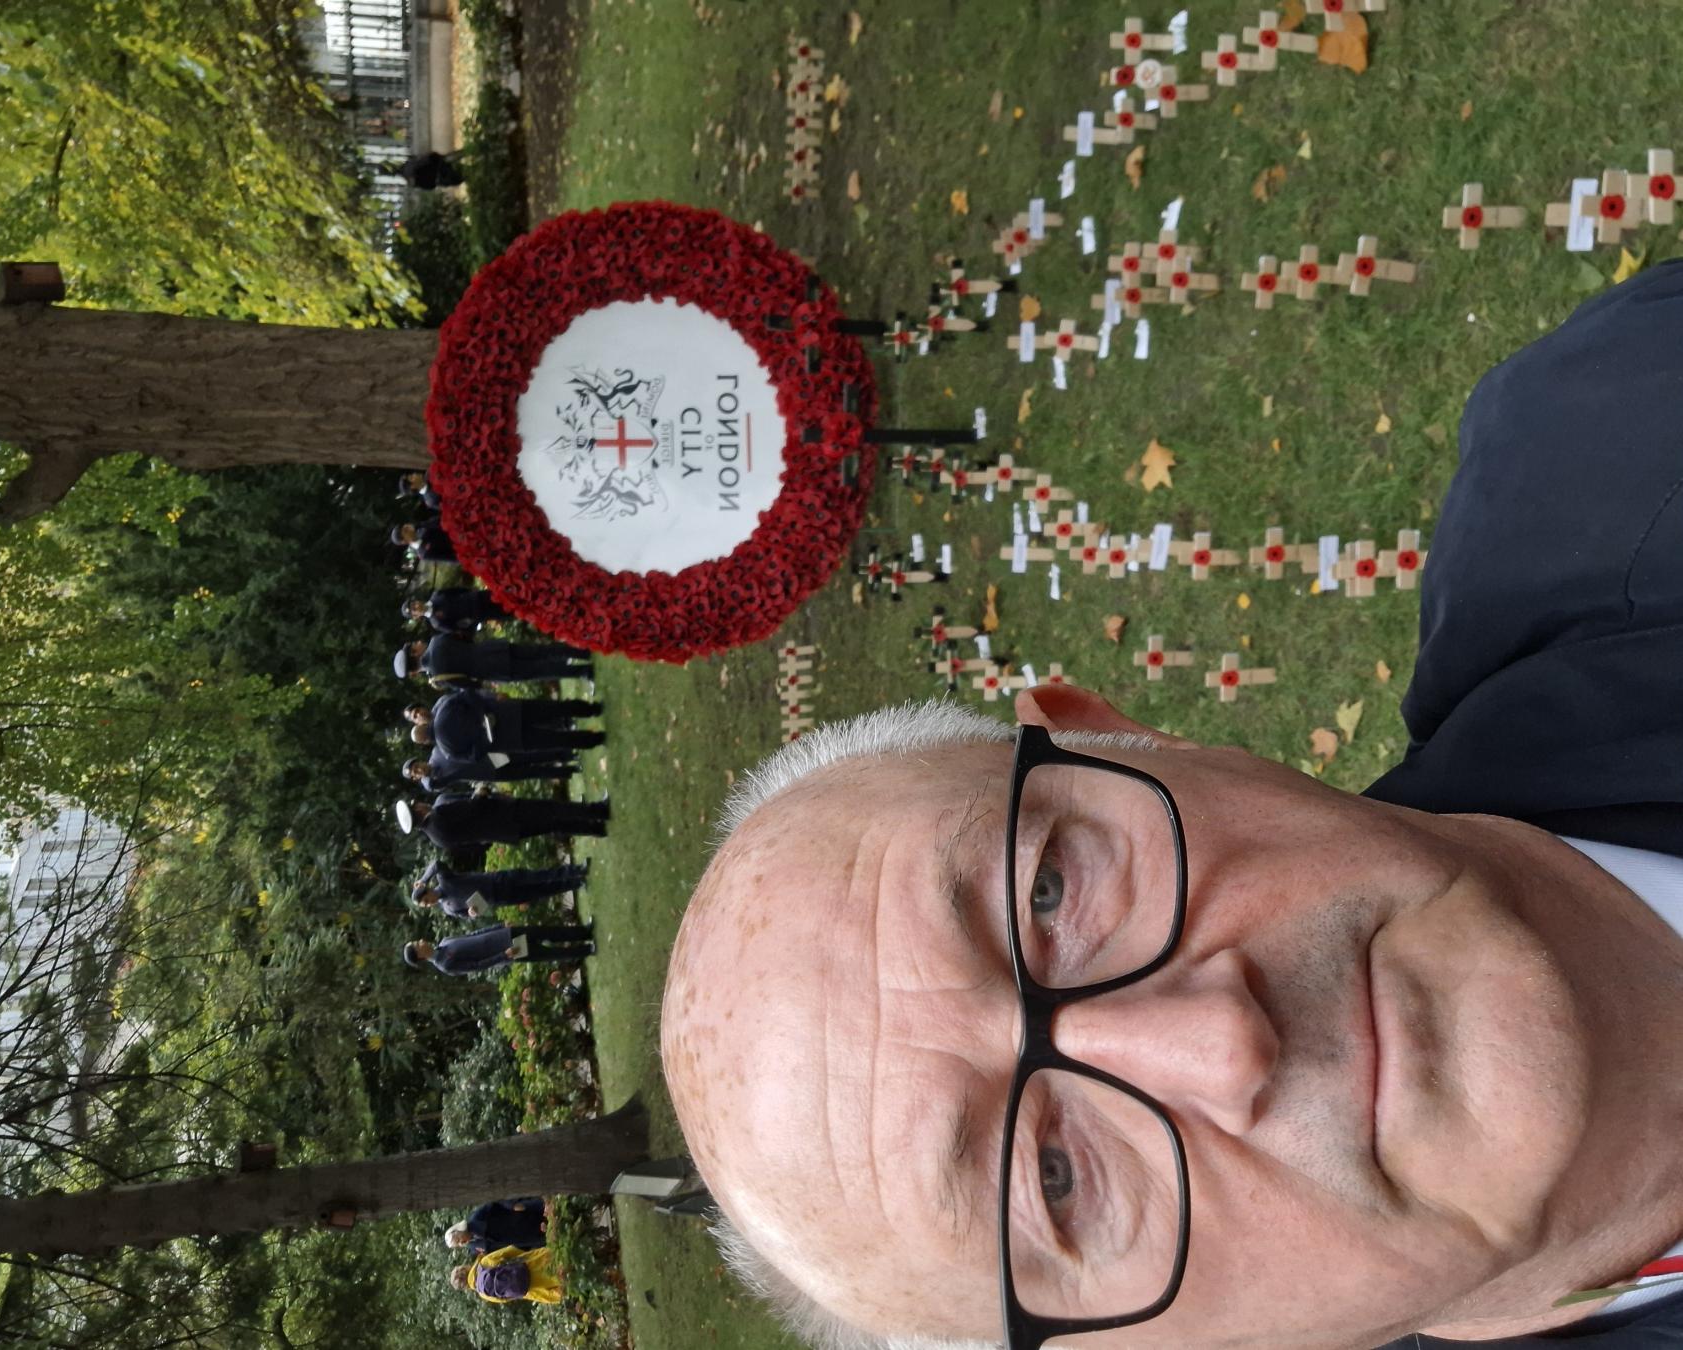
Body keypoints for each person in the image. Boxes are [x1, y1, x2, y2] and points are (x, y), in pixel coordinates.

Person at [660, 262, 1683, 1350]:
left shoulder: (1631, 432)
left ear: (1131, 736)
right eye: (1058, 1180)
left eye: (1049, 893)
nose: (1224, 1043)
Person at [420, 689, 606, 758]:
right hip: (505, 712)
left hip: (507, 739)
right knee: (552, 709)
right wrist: (483, 712)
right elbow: (468, 695)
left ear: (425, 741)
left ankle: (595, 739)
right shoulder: (443, 708)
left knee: (555, 739)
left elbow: (475, 755)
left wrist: (485, 738)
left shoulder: (447, 750)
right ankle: (591, 709)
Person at [397, 792, 609, 851]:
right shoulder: (438, 815)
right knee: (552, 809)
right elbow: (473, 807)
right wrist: (480, 792)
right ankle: (597, 811)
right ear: (417, 809)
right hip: (504, 814)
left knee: (552, 824)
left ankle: (594, 828)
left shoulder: (436, 838)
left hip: (504, 832)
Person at [403, 922, 594, 976]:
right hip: (508, 950)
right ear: (420, 955)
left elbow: (474, 935)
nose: (421, 940)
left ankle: (584, 932)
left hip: (505, 934)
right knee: (547, 953)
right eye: (417, 944)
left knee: (547, 930)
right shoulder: (445, 964)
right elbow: (478, 965)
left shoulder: (444, 942)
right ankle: (586, 950)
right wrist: (504, 955)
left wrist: (499, 926)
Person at [412, 858, 589, 916]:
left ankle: (576, 870)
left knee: (538, 876)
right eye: (426, 905)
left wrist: (424, 878)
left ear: (427, 891)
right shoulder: (448, 908)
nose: (429, 904)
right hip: (498, 898)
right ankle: (576, 883)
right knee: (539, 891)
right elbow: (465, 916)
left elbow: (436, 864)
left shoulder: (444, 880)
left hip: (496, 881)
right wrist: (472, 914)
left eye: (426, 900)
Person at [394, 634, 594, 685]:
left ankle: (583, 671)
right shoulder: (436, 641)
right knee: (539, 651)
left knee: (541, 670)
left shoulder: (438, 676)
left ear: (413, 672)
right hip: (491, 650)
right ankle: (580, 653)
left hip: (492, 670)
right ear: (414, 653)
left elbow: (466, 683)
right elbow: (463, 636)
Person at [449, 1244, 564, 1305]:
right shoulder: (484, 1263)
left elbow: (506, 1298)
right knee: (562, 1258)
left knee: (565, 1285)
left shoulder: (483, 1293)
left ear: (466, 1287)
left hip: (530, 1288)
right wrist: (524, 1257)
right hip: (532, 1263)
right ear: (465, 1267)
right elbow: (509, 1250)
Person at [402, 753, 579, 791]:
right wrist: (425, 777)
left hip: (489, 756)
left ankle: (566, 755)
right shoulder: (433, 781)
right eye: (415, 774)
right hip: (489, 774)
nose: (418, 771)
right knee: (533, 772)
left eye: (416, 767)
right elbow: (430, 786)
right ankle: (570, 770)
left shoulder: (437, 752)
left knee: (529, 757)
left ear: (419, 760)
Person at [444, 1198, 548, 1254]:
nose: (461, 1243)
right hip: (524, 1239)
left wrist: (512, 1205)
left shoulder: (477, 1218)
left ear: (459, 1230)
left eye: (458, 1239)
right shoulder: (474, 1247)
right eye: (458, 1245)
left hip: (519, 1219)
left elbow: (495, 1201)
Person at [403, 587, 512, 634]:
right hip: (479, 614)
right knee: (509, 611)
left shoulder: (436, 595)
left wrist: (471, 592)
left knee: (506, 593)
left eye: (414, 603)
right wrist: (474, 622)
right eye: (414, 609)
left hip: (477, 597)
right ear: (416, 616)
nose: (417, 606)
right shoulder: (436, 623)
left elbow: (456, 590)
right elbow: (458, 629)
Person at [390, 519, 457, 565]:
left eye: (405, 526)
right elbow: (450, 559)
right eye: (405, 531)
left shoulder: (422, 526)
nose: (408, 527)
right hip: (461, 546)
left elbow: (443, 520)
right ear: (404, 541)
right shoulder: (423, 553)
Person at [398, 150, 468, 191]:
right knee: (459, 156)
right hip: (438, 164)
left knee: (463, 177)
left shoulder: (410, 180)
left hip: (438, 178)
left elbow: (430, 187)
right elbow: (426, 158)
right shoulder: (409, 163)